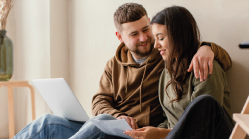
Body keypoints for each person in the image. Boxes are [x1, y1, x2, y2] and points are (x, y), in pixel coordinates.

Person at [13, 3, 232, 139]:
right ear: (121, 37)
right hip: (124, 129)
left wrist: (209, 48)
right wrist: (119, 117)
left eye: (148, 31)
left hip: (145, 132)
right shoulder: (116, 65)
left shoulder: (168, 60)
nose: (147, 40)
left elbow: (204, 115)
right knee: (47, 123)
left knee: (101, 125)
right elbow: (99, 100)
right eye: (135, 34)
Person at [122, 6, 234, 139]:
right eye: (155, 38)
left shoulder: (205, 66)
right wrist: (151, 133)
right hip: (177, 135)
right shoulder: (165, 73)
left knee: (205, 101)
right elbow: (168, 120)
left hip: (212, 135)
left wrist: (159, 134)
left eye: (161, 38)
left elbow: (204, 124)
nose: (155, 45)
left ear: (179, 36)